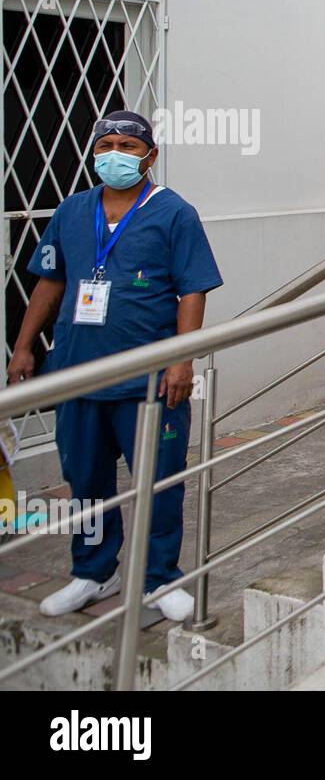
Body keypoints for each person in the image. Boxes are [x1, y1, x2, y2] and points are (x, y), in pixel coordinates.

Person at [6, 111, 223, 619]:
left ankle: (159, 579)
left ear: (149, 155)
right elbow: (50, 282)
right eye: (107, 144)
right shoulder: (72, 211)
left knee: (159, 480)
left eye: (128, 145)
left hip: (148, 380)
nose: (115, 154)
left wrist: (180, 359)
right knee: (85, 482)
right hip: (79, 373)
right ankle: (93, 572)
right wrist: (22, 346)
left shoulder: (173, 213)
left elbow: (193, 289)